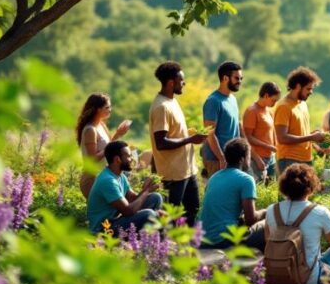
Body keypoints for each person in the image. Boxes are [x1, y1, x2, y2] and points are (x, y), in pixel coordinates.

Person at [264, 164, 330, 284]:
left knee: (320, 255)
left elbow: (268, 242)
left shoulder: (272, 210)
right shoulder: (320, 212)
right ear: (311, 188)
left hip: (275, 281)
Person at [149, 61, 208, 227]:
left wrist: (189, 133)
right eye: (181, 80)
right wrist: (190, 140)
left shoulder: (171, 101)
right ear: (170, 82)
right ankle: (167, 249)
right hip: (173, 173)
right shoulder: (161, 107)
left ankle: (189, 246)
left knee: (192, 209)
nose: (184, 83)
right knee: (172, 215)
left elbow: (172, 133)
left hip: (186, 169)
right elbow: (161, 142)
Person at [199, 138, 266, 251]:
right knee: (267, 225)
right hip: (224, 241)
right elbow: (251, 220)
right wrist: (265, 212)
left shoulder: (214, 177)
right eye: (249, 157)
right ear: (242, 159)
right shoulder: (246, 179)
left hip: (203, 239)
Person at [87, 141, 162, 234]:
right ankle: (147, 238)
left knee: (155, 198)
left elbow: (132, 199)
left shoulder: (120, 175)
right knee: (148, 214)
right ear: (118, 159)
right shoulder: (108, 181)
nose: (132, 159)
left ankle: (148, 235)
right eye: (129, 156)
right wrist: (146, 192)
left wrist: (145, 189)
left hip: (115, 221)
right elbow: (128, 211)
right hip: (104, 229)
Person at [76, 93, 131, 198]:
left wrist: (118, 134)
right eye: (107, 107)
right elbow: (92, 159)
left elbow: (109, 147)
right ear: (97, 109)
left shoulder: (101, 124)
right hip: (93, 178)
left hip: (105, 176)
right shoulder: (90, 130)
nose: (110, 109)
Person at [274, 67, 326, 173]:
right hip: (289, 160)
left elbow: (300, 134)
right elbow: (282, 138)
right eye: (308, 89)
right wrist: (311, 137)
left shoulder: (302, 104)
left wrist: (314, 139)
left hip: (306, 159)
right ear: (298, 86)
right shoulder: (284, 106)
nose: (311, 92)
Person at [202, 61, 243, 178]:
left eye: (241, 78)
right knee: (218, 194)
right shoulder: (213, 101)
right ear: (225, 78)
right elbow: (210, 133)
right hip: (217, 160)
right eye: (236, 78)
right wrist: (221, 157)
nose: (239, 81)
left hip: (233, 159)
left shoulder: (233, 99)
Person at [243, 82, 280, 184]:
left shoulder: (268, 111)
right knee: (258, 187)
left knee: (272, 187)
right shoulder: (252, 111)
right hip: (257, 158)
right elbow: (247, 138)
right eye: (273, 100)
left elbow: (272, 132)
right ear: (266, 95)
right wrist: (259, 156)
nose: (274, 103)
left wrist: (276, 148)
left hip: (271, 158)